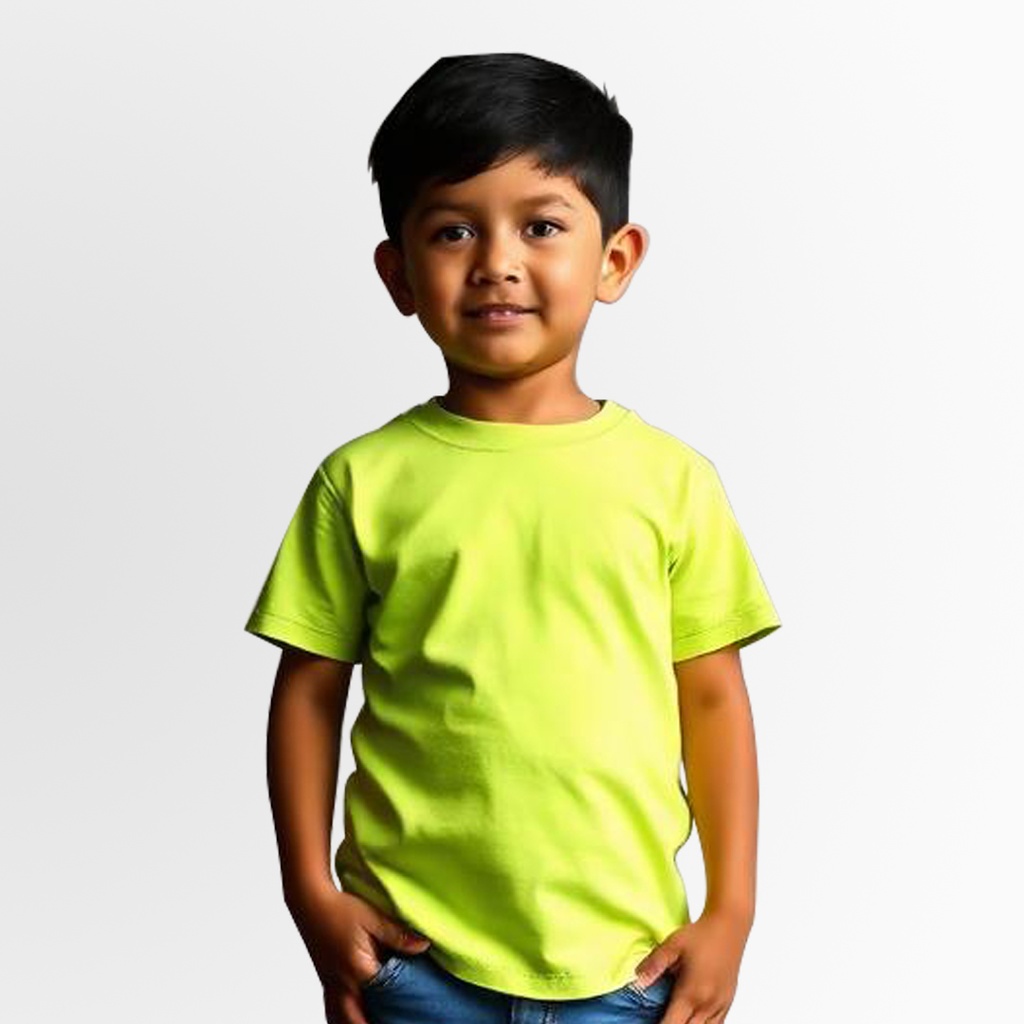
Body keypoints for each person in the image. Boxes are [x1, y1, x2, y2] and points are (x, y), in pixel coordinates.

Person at [243, 52, 782, 1024]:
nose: (496, 260)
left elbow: (713, 699)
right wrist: (309, 895)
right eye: (454, 229)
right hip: (413, 961)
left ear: (614, 259)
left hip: (624, 968)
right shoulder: (362, 481)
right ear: (398, 273)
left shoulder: (672, 482)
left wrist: (731, 911)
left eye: (541, 225)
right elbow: (309, 693)